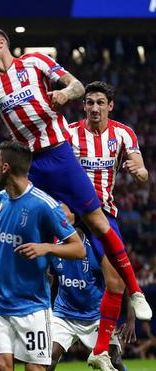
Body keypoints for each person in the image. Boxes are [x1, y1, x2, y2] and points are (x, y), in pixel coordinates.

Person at [0, 25, 151, 338]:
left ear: (2, 43)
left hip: (60, 156)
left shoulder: (35, 62)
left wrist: (66, 93)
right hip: (29, 167)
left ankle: (135, 291)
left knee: (99, 223)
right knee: (10, 231)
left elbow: (78, 85)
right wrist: (0, 168)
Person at [0, 141, 86, 371]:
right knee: (1, 366)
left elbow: (79, 249)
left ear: (6, 167)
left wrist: (46, 248)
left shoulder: (44, 205)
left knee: (35, 369)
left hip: (31, 306)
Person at [67, 81, 147, 369]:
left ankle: (100, 351)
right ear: (84, 105)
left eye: (100, 102)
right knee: (47, 268)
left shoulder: (123, 134)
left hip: (104, 213)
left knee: (115, 281)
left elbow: (142, 172)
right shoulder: (70, 133)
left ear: (110, 106)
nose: (95, 107)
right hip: (70, 213)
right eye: (90, 102)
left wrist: (139, 171)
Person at [47, 206, 135, 371]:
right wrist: (48, 314)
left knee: (114, 359)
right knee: (47, 360)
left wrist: (130, 317)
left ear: (77, 216)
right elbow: (54, 283)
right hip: (64, 315)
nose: (63, 214)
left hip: (96, 317)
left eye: (67, 210)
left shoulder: (97, 249)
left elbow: (120, 282)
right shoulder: (55, 246)